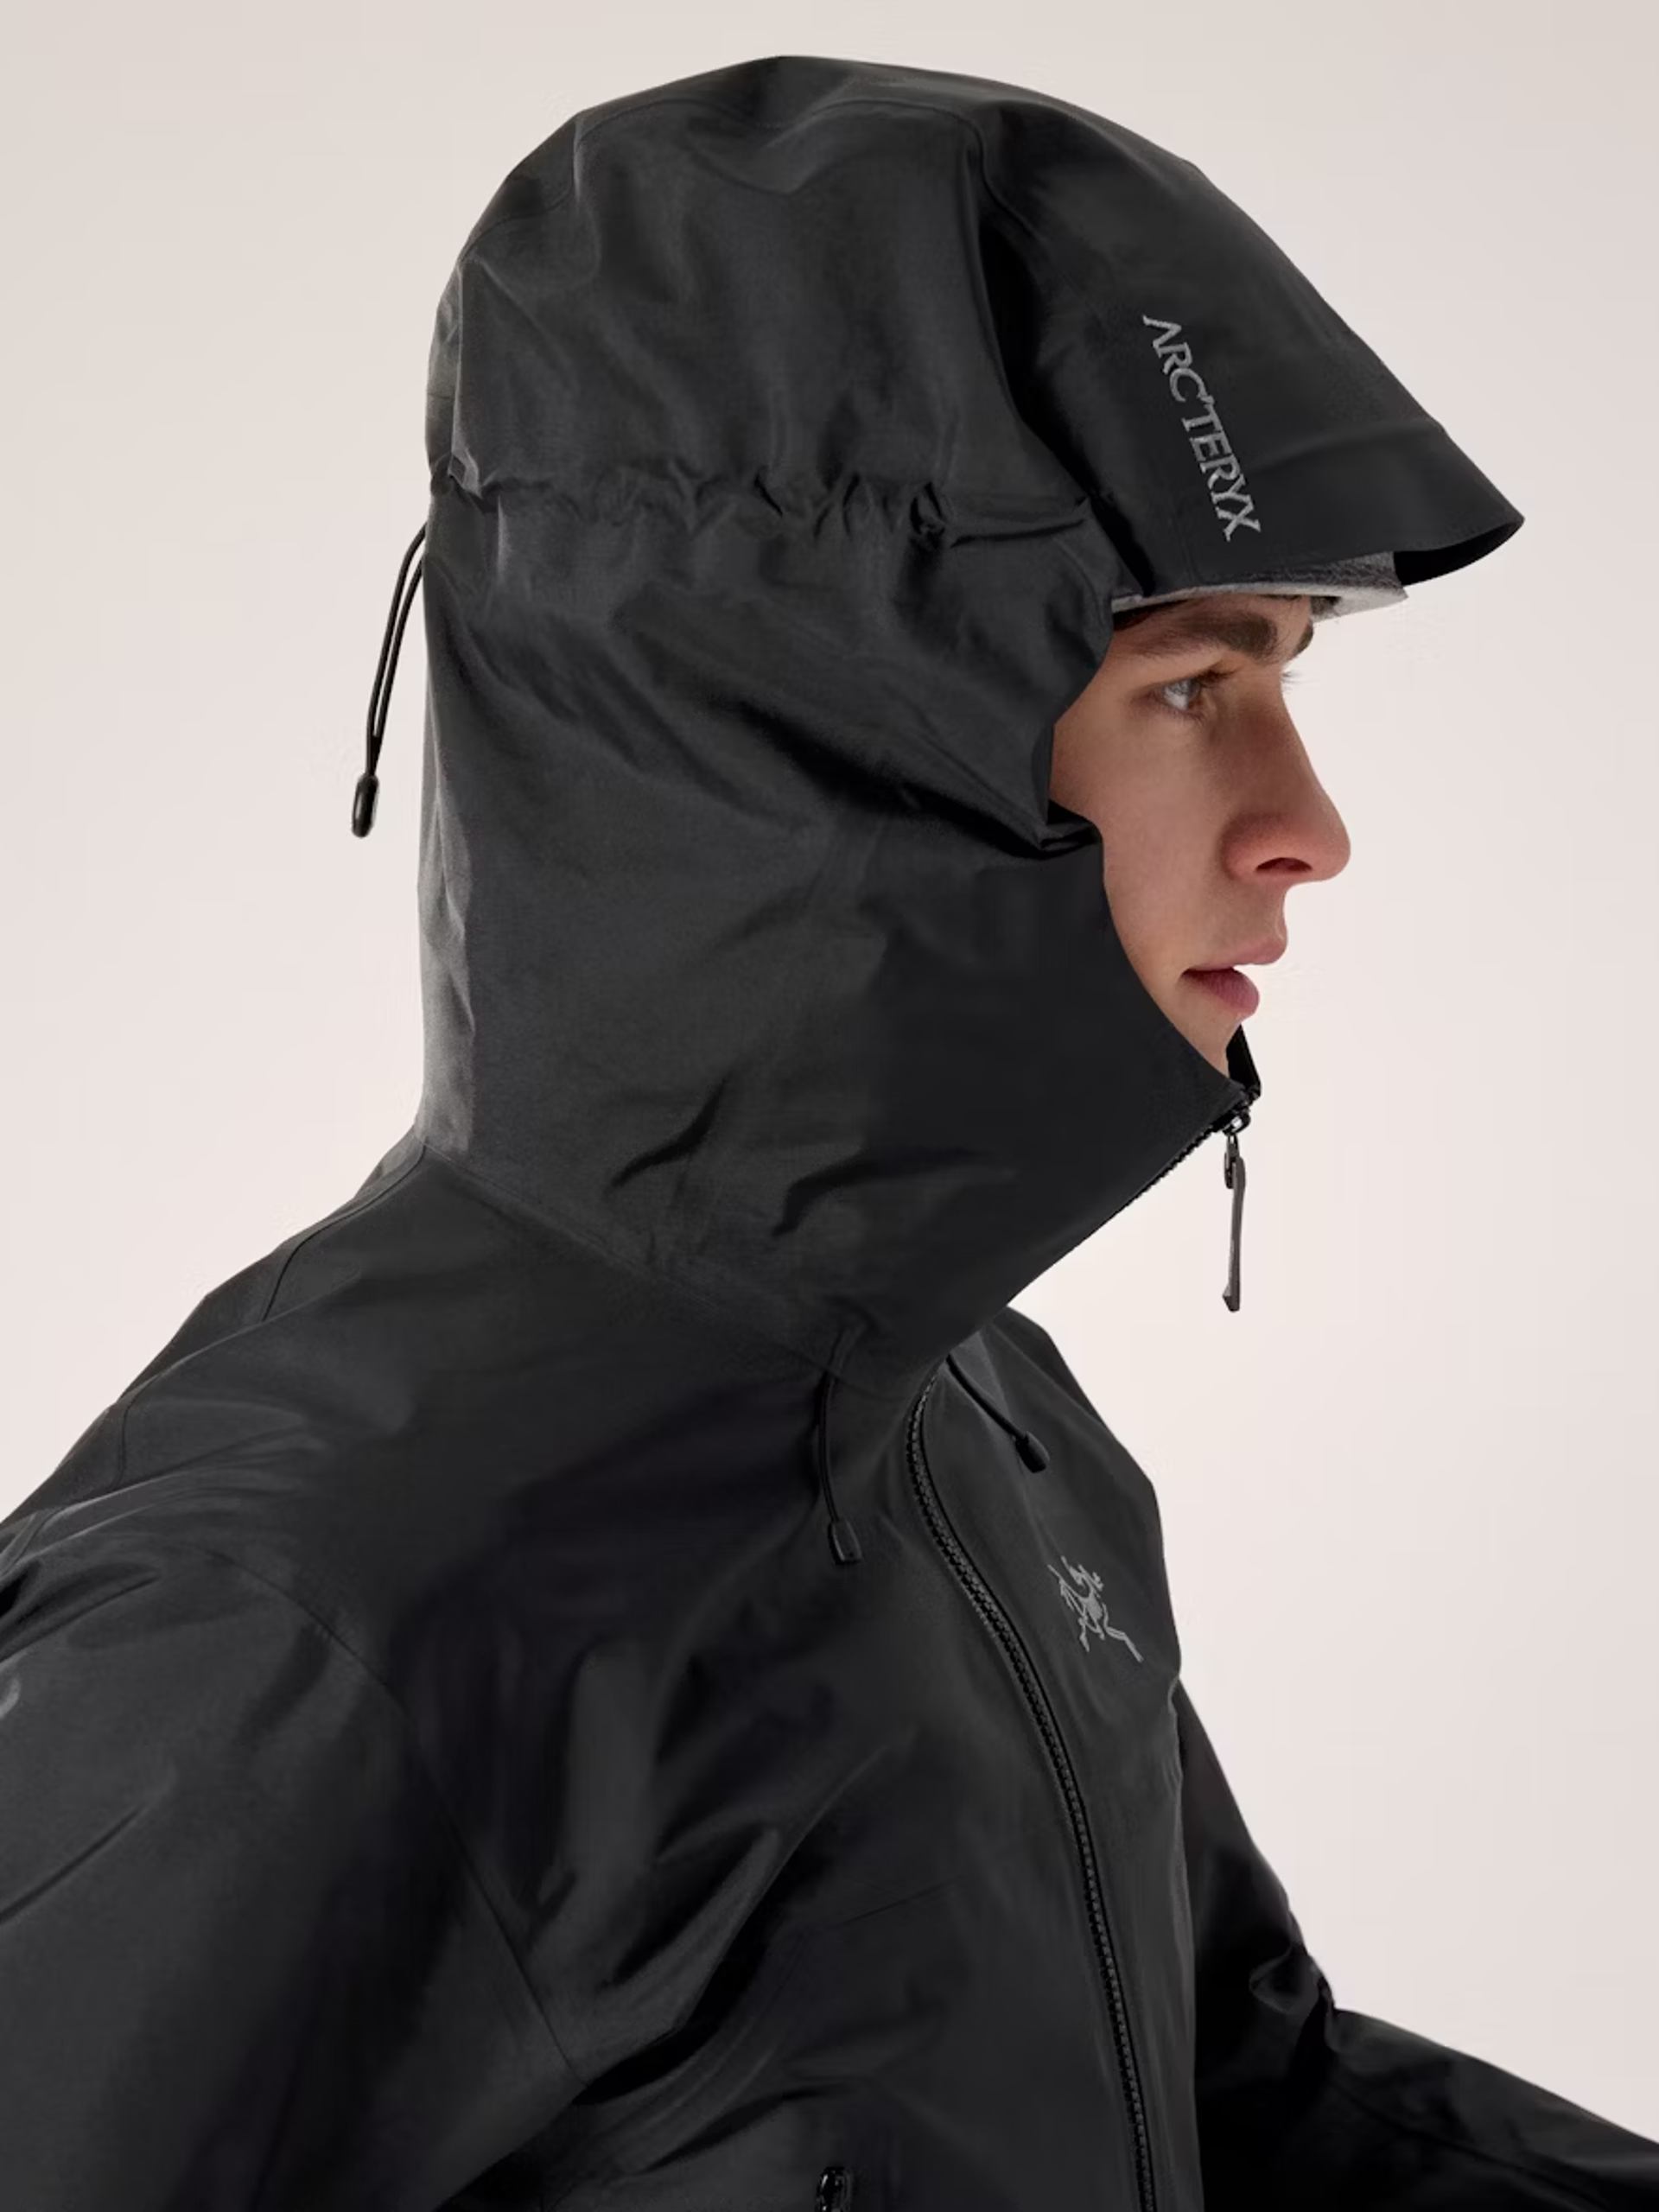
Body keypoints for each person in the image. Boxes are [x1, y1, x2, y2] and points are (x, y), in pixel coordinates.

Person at [3, 51, 1655, 2212]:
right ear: (822, 723)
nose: (1306, 826)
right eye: (1190, 685)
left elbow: (1244, 2099)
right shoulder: (310, 1616)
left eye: (1286, 681)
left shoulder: (981, 1414)